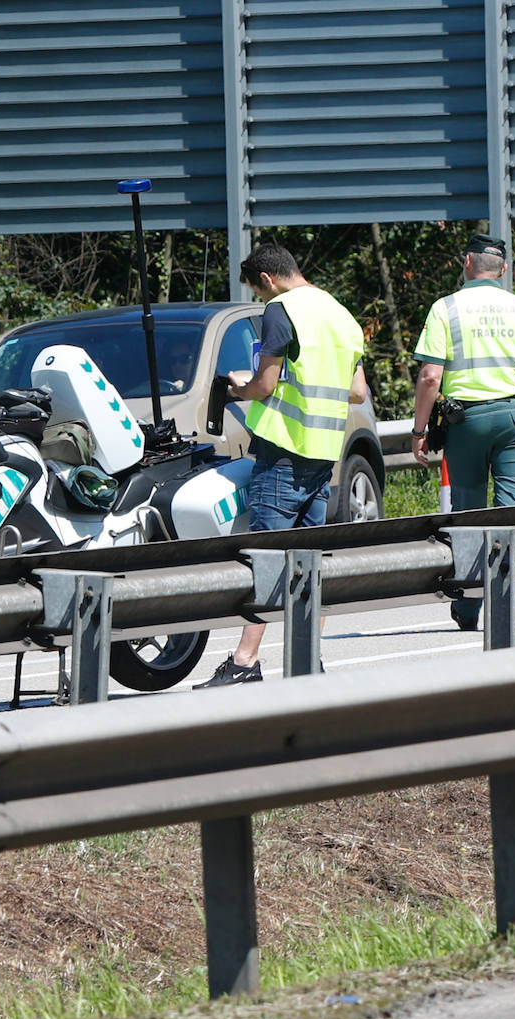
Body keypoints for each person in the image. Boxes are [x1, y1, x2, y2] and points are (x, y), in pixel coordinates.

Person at [195, 241, 369, 686]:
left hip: (284, 451)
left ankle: (244, 662)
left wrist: (238, 387)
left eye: (258, 291)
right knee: (308, 558)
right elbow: (357, 393)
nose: (262, 299)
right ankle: (308, 658)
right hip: (323, 454)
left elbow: (264, 386)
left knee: (268, 555)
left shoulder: (282, 310)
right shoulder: (340, 314)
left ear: (267, 280)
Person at [411, 234, 515, 631]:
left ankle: (469, 605)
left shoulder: (445, 308)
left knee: (468, 513)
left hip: (465, 422)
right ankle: (514, 603)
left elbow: (430, 375)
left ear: (467, 262)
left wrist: (420, 429)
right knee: (512, 509)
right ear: (504, 269)